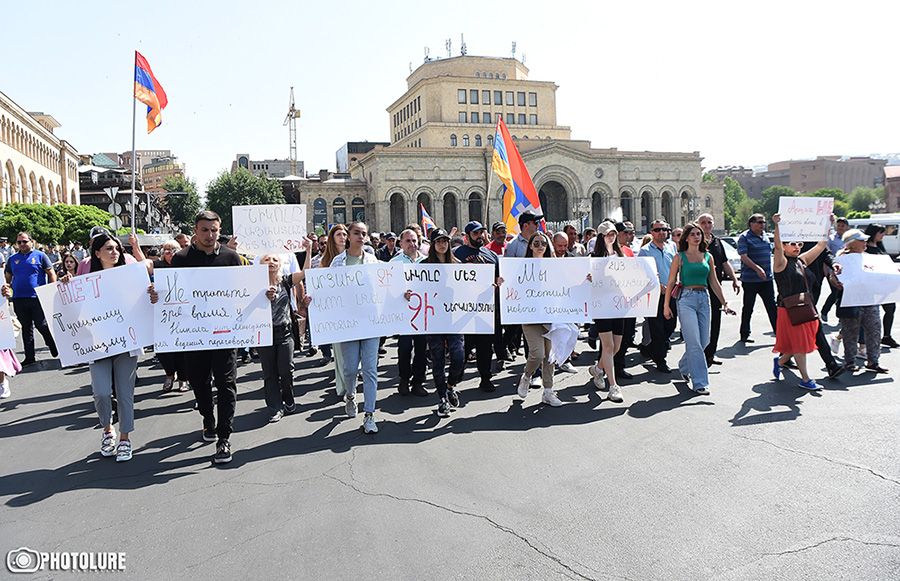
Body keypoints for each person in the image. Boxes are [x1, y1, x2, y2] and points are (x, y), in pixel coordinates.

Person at [68, 233, 157, 461]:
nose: (114, 252)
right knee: (101, 392)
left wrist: (150, 292)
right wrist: (64, 286)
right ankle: (108, 430)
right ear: (97, 253)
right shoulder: (86, 281)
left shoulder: (131, 275)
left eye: (117, 248)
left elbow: (148, 267)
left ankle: (125, 438)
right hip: (98, 345)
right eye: (108, 248)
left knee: (125, 393)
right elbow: (68, 304)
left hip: (126, 343)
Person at [170, 211, 244, 464]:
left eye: (214, 230)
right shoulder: (180, 259)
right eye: (205, 230)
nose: (210, 235)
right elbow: (173, 294)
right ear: (195, 230)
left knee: (226, 384)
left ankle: (224, 437)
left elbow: (242, 291)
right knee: (199, 383)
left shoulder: (231, 257)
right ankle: (207, 418)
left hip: (225, 334)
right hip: (195, 335)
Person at [322, 221, 381, 434]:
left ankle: (370, 414)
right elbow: (327, 291)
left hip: (370, 323)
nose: (360, 236)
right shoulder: (338, 262)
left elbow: (384, 288)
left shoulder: (373, 261)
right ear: (348, 235)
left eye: (364, 233)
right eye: (356, 233)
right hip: (347, 324)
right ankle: (350, 395)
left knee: (370, 369)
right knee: (349, 369)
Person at [664, 223, 736, 395]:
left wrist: (725, 302)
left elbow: (714, 282)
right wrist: (666, 305)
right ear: (686, 237)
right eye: (693, 234)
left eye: (699, 234)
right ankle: (700, 383)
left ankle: (683, 366)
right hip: (686, 300)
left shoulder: (708, 257)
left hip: (704, 298)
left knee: (703, 341)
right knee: (694, 343)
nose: (697, 237)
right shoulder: (679, 257)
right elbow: (671, 282)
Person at [507, 230, 568, 407]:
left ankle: (548, 391)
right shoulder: (522, 267)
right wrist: (503, 282)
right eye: (536, 243)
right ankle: (526, 376)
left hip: (550, 316)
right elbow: (512, 287)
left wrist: (585, 279)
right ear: (530, 246)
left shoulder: (555, 265)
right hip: (530, 316)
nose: (540, 246)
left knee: (550, 356)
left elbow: (569, 285)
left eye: (543, 243)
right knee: (537, 353)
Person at [769, 214, 829, 391]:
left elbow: (821, 245)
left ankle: (780, 361)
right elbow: (778, 247)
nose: (797, 247)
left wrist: (827, 224)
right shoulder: (780, 263)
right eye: (793, 243)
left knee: (800, 342)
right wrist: (777, 226)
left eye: (799, 244)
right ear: (785, 246)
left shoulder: (801, 261)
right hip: (788, 309)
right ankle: (805, 378)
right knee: (800, 344)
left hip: (805, 307)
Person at [260, 248, 311, 423]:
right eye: (267, 259)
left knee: (286, 369)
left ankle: (288, 398)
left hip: (285, 332)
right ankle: (274, 408)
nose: (271, 262)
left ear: (280, 264)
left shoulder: (285, 281)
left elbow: (305, 273)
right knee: (269, 373)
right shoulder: (253, 284)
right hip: (264, 333)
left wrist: (309, 248)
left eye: (275, 259)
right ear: (261, 264)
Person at [454, 221, 501, 392]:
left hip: (485, 310)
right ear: (467, 237)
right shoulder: (456, 254)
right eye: (475, 233)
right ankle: (457, 373)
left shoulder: (491, 255)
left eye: (481, 232)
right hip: (463, 309)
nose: (479, 236)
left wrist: (498, 285)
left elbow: (498, 278)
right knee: (463, 346)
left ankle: (485, 378)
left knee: (485, 347)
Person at [421, 228, 464, 417]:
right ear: (432, 244)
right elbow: (415, 290)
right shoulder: (423, 266)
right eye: (438, 241)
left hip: (454, 319)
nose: (443, 244)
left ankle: (450, 386)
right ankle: (442, 400)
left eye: (445, 241)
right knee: (437, 361)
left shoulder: (458, 265)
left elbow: (470, 288)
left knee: (459, 357)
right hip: (433, 320)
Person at [832, 229, 887, 373]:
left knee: (874, 331)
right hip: (851, 301)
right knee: (850, 333)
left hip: (870, 300)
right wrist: (837, 282)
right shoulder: (841, 259)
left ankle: (873, 361)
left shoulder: (869, 258)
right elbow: (833, 278)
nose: (865, 243)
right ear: (852, 243)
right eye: (861, 240)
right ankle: (849, 361)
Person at [3, 232, 58, 367]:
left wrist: (50, 291)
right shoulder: (12, 259)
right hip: (19, 298)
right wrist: (6, 287)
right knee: (26, 328)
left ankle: (51, 343)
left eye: (24, 241)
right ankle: (29, 357)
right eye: (19, 242)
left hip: (36, 297)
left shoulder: (40, 256)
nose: (22, 244)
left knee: (41, 324)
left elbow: (51, 273)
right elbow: (8, 277)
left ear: (31, 241)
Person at [588, 222, 628, 402]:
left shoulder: (622, 255)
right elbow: (587, 282)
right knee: (609, 346)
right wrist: (588, 278)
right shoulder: (594, 257)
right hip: (601, 306)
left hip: (618, 305)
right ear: (600, 237)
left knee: (616, 347)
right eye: (607, 234)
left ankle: (597, 370)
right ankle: (613, 386)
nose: (611, 237)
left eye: (613, 233)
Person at [698, 213, 741, 366]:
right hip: (699, 288)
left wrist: (735, 279)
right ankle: (699, 354)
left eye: (709, 222)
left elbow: (724, 262)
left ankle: (711, 353)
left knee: (716, 320)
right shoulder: (695, 240)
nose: (706, 225)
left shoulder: (717, 242)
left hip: (716, 288)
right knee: (701, 322)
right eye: (703, 222)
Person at [391, 228, 428, 397]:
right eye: (408, 241)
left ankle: (418, 382)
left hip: (422, 314)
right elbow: (388, 290)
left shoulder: (426, 261)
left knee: (421, 349)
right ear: (401, 244)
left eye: (414, 241)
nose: (412, 244)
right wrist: (400, 294)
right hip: (404, 314)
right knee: (404, 347)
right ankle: (404, 379)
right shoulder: (395, 262)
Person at [638, 220, 677, 373]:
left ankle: (651, 347)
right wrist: (656, 284)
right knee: (657, 328)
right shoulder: (645, 251)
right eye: (657, 230)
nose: (661, 232)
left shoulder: (672, 247)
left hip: (672, 292)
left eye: (664, 229)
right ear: (652, 232)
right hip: (655, 295)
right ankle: (660, 360)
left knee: (671, 325)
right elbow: (642, 273)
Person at [153, 239, 189, 392]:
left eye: (174, 250)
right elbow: (142, 266)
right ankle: (169, 375)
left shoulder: (186, 265)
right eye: (167, 251)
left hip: (183, 314)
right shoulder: (158, 266)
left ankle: (183, 379)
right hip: (162, 315)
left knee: (182, 350)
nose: (171, 253)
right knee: (163, 351)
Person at [737, 213, 778, 342]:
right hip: (750, 279)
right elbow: (744, 256)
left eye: (763, 222)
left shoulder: (765, 236)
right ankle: (745, 333)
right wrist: (757, 268)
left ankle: (779, 333)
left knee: (772, 306)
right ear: (752, 224)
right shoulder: (745, 237)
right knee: (748, 306)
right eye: (760, 222)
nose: (762, 225)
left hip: (766, 279)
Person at [863, 224, 898, 348]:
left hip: (884, 285)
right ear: (873, 233)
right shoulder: (864, 248)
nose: (883, 235)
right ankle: (863, 341)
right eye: (881, 233)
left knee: (890, 308)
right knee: (868, 314)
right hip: (871, 286)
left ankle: (886, 336)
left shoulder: (879, 247)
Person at [821, 217, 849, 321]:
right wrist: (825, 270)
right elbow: (825, 254)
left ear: (847, 227)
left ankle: (840, 316)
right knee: (836, 292)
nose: (840, 227)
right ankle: (825, 311)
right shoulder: (831, 239)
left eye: (843, 226)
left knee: (843, 294)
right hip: (832, 271)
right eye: (839, 225)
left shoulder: (848, 239)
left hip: (846, 271)